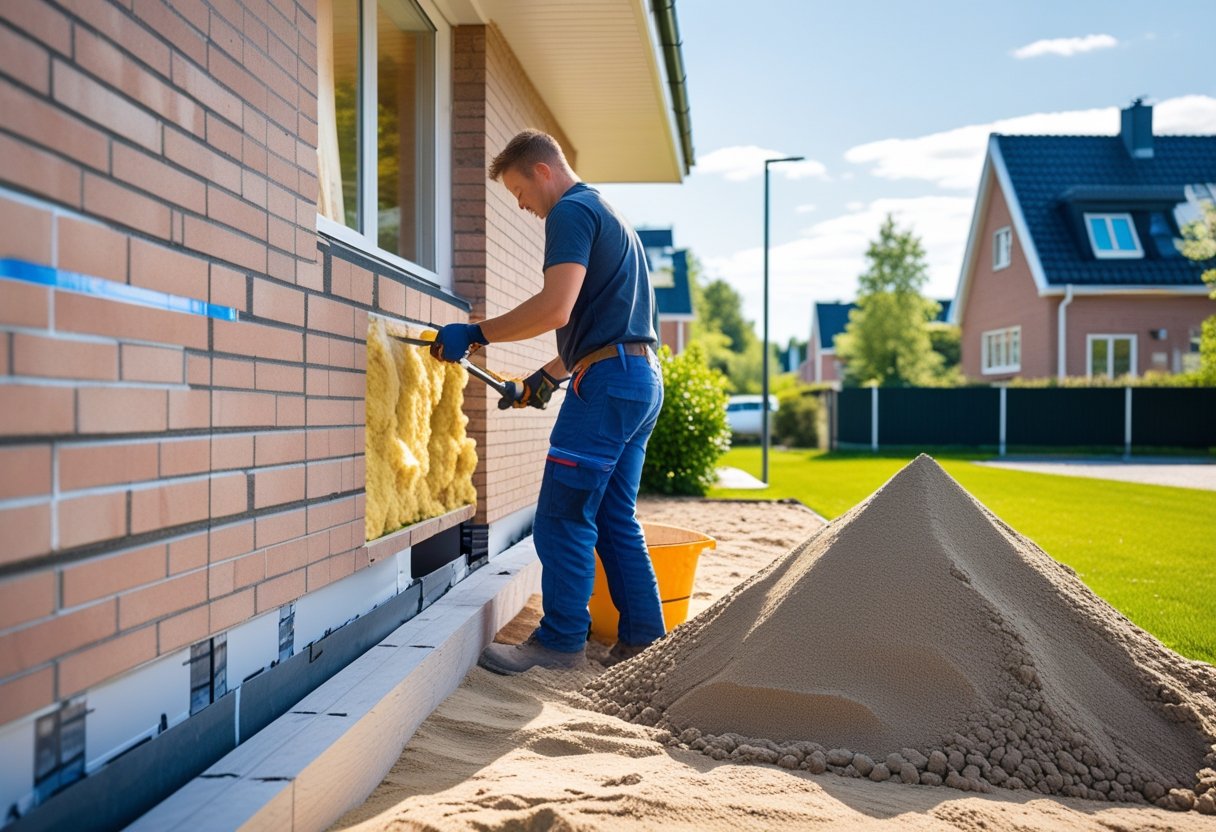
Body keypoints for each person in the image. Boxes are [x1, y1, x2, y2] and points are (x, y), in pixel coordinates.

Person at [429, 129, 665, 675]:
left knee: (562, 514)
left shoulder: (570, 213)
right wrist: (546, 377)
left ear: (541, 171)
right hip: (637, 377)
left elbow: (556, 309)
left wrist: (477, 334)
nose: (522, 206)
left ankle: (559, 642)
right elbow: (601, 323)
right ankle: (644, 643)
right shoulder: (611, 214)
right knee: (612, 516)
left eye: (518, 192)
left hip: (607, 386)